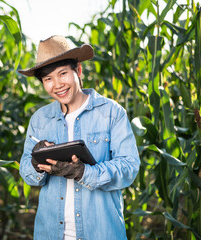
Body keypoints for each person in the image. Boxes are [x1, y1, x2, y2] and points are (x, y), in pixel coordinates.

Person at [18, 35, 140, 240]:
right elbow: (26, 173)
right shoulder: (40, 119)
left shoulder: (111, 113)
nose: (57, 85)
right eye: (48, 79)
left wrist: (85, 173)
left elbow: (129, 167)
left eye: (63, 74)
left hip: (102, 233)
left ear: (78, 71)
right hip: (50, 233)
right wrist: (35, 162)